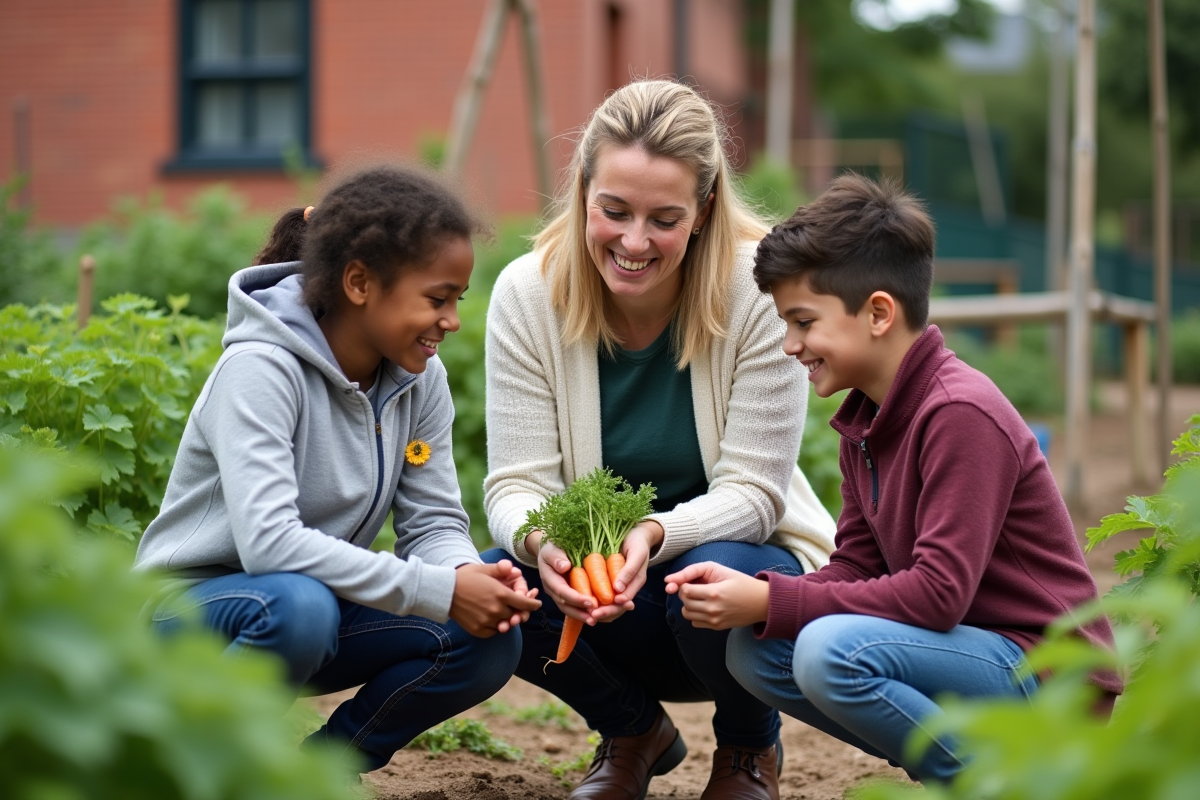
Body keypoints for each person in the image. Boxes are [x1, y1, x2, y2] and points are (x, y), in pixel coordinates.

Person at [665, 173, 1122, 784]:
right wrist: (759, 595)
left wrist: (775, 600)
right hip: (965, 652)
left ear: (878, 312)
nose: (789, 344)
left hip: (1048, 675)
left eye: (803, 321)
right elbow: (857, 567)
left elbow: (938, 595)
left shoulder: (960, 413)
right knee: (756, 651)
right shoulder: (866, 422)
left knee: (829, 653)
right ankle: (965, 770)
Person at [481, 79, 837, 800]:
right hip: (606, 597)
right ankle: (632, 731)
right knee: (497, 589)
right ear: (584, 191)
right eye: (614, 211)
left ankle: (748, 748)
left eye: (664, 219)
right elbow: (516, 484)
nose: (634, 242)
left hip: (730, 593)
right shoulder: (527, 295)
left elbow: (755, 493)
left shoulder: (759, 292)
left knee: (710, 567)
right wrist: (544, 547)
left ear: (704, 210)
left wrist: (651, 533)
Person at [134, 165, 541, 773]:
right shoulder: (260, 370)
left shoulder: (419, 380)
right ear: (359, 283)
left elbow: (432, 521)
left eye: (456, 299)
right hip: (193, 612)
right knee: (298, 607)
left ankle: (319, 775)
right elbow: (270, 545)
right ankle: (207, 767)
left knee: (485, 638)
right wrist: (439, 590)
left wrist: (462, 575)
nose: (453, 320)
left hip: (311, 606)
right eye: (437, 299)